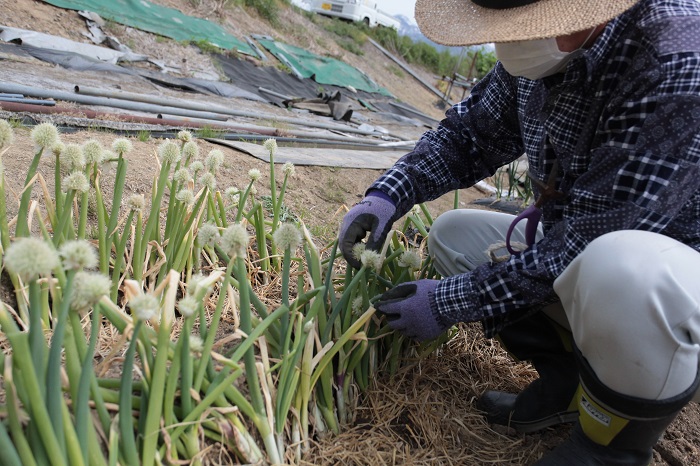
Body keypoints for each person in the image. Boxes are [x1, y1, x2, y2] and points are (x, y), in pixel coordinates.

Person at [338, 0, 700, 464]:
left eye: (525, 27)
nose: (509, 41)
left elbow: (587, 242)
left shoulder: (676, 62)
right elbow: (470, 135)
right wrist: (389, 192)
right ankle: (568, 382)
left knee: (624, 268)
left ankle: (609, 448)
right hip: (593, 252)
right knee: (454, 236)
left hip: (672, 286)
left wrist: (447, 301)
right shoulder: (546, 54)